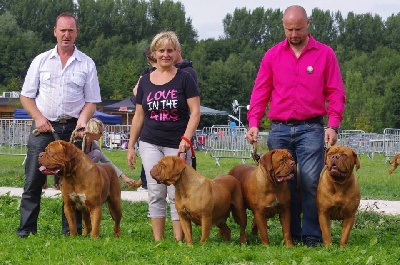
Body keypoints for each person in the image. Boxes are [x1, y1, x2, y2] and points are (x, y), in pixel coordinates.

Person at [246, 5, 345, 247]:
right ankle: (291, 234)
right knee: (282, 181)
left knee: (311, 180)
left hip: (311, 128)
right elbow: (261, 91)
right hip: (279, 128)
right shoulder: (272, 55)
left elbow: (336, 91)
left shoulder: (325, 54)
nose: (293, 34)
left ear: (308, 24)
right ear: (283, 26)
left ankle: (311, 235)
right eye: (289, 29)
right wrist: (254, 123)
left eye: (298, 29)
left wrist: (333, 124)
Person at [16, 13, 102, 238]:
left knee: (76, 182)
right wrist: (38, 118)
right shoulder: (41, 60)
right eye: (62, 30)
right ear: (55, 31)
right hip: (43, 129)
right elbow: (26, 96)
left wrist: (83, 121)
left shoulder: (86, 63)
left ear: (76, 33)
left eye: (70, 31)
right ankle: (26, 231)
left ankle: (71, 232)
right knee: (34, 180)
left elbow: (91, 100)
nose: (66, 35)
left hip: (73, 130)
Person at [127, 31, 200, 242]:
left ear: (177, 52)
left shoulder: (185, 78)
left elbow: (195, 112)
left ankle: (179, 239)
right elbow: (139, 116)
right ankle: (158, 241)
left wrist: (186, 139)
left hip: (177, 144)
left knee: (175, 193)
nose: (165, 55)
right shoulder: (144, 81)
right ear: (154, 53)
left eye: (170, 50)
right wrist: (131, 146)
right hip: (150, 142)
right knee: (156, 190)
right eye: (161, 50)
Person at [84, 118, 138, 187]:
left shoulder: (94, 144)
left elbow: (106, 161)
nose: (102, 135)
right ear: (94, 131)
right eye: (100, 133)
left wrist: (124, 177)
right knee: (97, 154)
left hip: (82, 167)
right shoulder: (79, 142)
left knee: (98, 154)